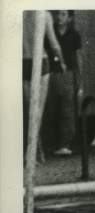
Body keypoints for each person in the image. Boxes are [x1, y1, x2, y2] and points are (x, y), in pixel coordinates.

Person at [22, 10, 61, 162]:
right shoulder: (44, 14)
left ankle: (32, 152)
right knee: (38, 111)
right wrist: (62, 61)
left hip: (23, 60)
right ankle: (36, 153)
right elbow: (54, 44)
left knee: (28, 112)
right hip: (40, 62)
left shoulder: (20, 13)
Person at [46, 10, 84, 156]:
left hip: (67, 73)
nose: (59, 18)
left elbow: (78, 58)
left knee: (67, 109)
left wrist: (80, 80)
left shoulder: (74, 35)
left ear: (69, 18)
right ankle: (53, 144)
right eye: (58, 15)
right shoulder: (50, 32)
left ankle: (65, 144)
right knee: (52, 109)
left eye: (63, 15)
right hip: (51, 73)